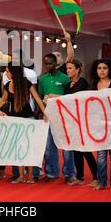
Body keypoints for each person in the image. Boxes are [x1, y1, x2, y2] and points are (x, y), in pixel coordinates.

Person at [0, 62, 48, 184]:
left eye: (7, 71)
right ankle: (21, 176)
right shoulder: (7, 85)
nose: (6, 73)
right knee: (18, 148)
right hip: (14, 120)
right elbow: (1, 102)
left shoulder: (26, 83)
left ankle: (31, 176)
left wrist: (45, 112)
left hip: (28, 119)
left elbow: (37, 98)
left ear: (13, 72)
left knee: (29, 147)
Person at [39, 53, 73, 183]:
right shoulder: (42, 79)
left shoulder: (65, 78)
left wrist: (56, 97)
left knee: (65, 146)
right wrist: (42, 113)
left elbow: (70, 97)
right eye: (46, 63)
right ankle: (51, 173)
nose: (48, 66)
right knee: (48, 147)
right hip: (48, 116)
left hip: (63, 116)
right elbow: (40, 98)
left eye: (50, 63)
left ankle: (69, 173)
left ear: (56, 63)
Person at [64, 59, 98, 187]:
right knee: (76, 150)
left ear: (78, 69)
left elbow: (81, 100)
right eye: (67, 68)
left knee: (85, 150)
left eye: (70, 68)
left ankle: (96, 177)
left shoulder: (83, 83)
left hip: (82, 120)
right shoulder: (68, 85)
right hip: (71, 121)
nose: (68, 70)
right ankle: (80, 176)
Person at [90, 59, 111, 190]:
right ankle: (101, 182)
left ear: (109, 70)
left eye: (104, 68)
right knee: (101, 156)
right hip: (99, 125)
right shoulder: (93, 85)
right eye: (99, 68)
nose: (101, 70)